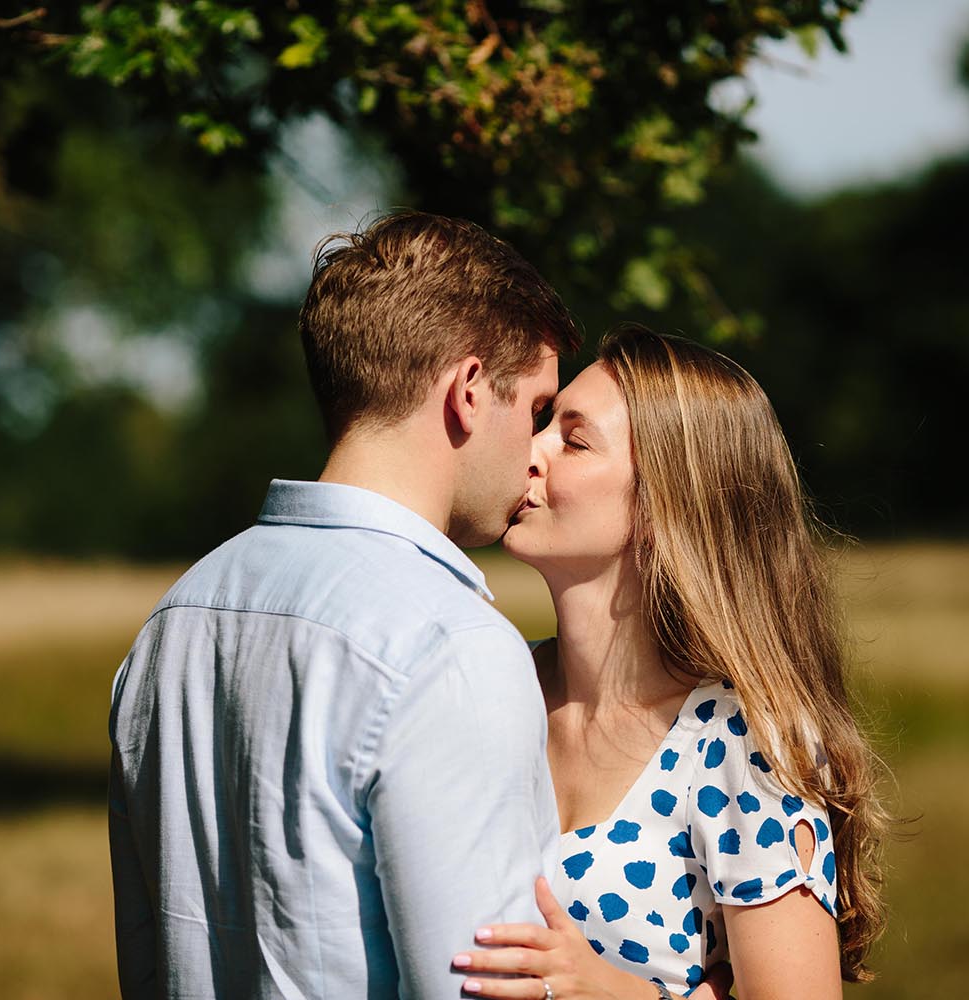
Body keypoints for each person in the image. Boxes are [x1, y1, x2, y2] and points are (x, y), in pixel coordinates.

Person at [107, 211, 582, 998]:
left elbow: (149, 952)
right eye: (535, 410)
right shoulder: (451, 643)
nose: (538, 452)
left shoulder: (174, 620)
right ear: (468, 393)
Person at [452, 326, 888, 999]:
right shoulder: (491, 686)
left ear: (662, 506)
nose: (530, 452)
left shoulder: (742, 742)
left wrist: (604, 990)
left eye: (573, 439)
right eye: (543, 423)